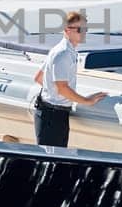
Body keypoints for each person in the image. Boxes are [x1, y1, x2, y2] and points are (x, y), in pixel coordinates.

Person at [33, 10, 105, 148]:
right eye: (80, 29)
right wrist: (86, 101)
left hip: (50, 113)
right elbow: (62, 88)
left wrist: (52, 92)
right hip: (53, 116)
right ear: (67, 30)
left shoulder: (61, 50)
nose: (84, 33)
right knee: (53, 159)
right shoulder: (63, 53)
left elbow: (39, 77)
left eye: (85, 29)